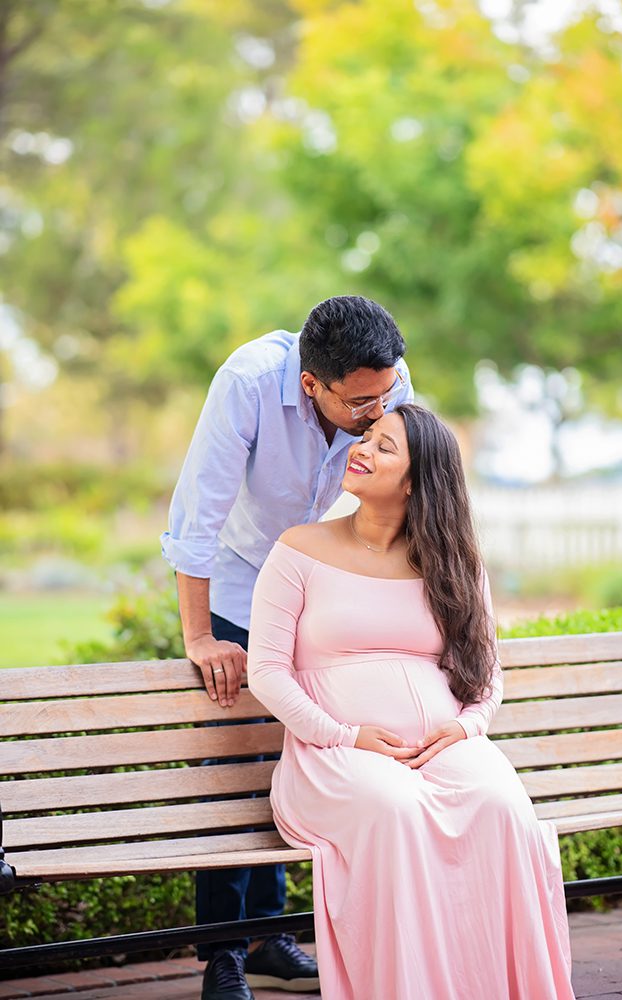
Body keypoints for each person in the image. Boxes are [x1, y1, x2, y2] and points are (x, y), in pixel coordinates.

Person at [247, 404, 577, 1000]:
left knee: (503, 805)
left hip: (440, 747)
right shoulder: (298, 549)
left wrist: (469, 726)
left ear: (415, 481)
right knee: (394, 809)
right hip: (333, 757)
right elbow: (266, 671)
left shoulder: (452, 561)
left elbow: (487, 672)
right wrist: (345, 735)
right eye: (366, 436)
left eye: (385, 447)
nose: (362, 449)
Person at [161, 295, 414, 1000]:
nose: (375, 412)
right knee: (234, 760)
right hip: (240, 581)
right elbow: (196, 518)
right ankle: (223, 955)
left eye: (384, 395)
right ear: (312, 384)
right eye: (360, 401)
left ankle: (272, 937)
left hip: (314, 580)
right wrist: (201, 635)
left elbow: (409, 493)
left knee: (297, 751)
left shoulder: (384, 381)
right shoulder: (246, 383)